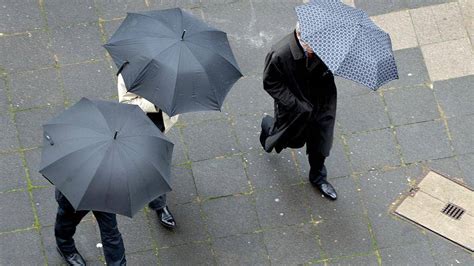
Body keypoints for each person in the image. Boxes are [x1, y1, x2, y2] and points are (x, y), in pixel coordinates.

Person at [259, 22, 338, 200]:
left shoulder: (327, 45)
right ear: (302, 38)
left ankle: (318, 177)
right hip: (295, 110)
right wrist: (296, 105)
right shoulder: (280, 54)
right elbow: (270, 83)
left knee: (321, 142)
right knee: (289, 140)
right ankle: (268, 127)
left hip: (322, 104)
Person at [117, 73, 179, 229]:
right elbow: (126, 103)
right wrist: (156, 101)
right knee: (154, 165)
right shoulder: (128, 73)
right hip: (140, 124)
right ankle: (160, 205)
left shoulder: (173, 70)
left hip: (162, 121)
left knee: (154, 158)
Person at [54, 189, 126, 265]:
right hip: (77, 190)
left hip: (105, 191)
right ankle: (66, 249)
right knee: (67, 221)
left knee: (111, 233)